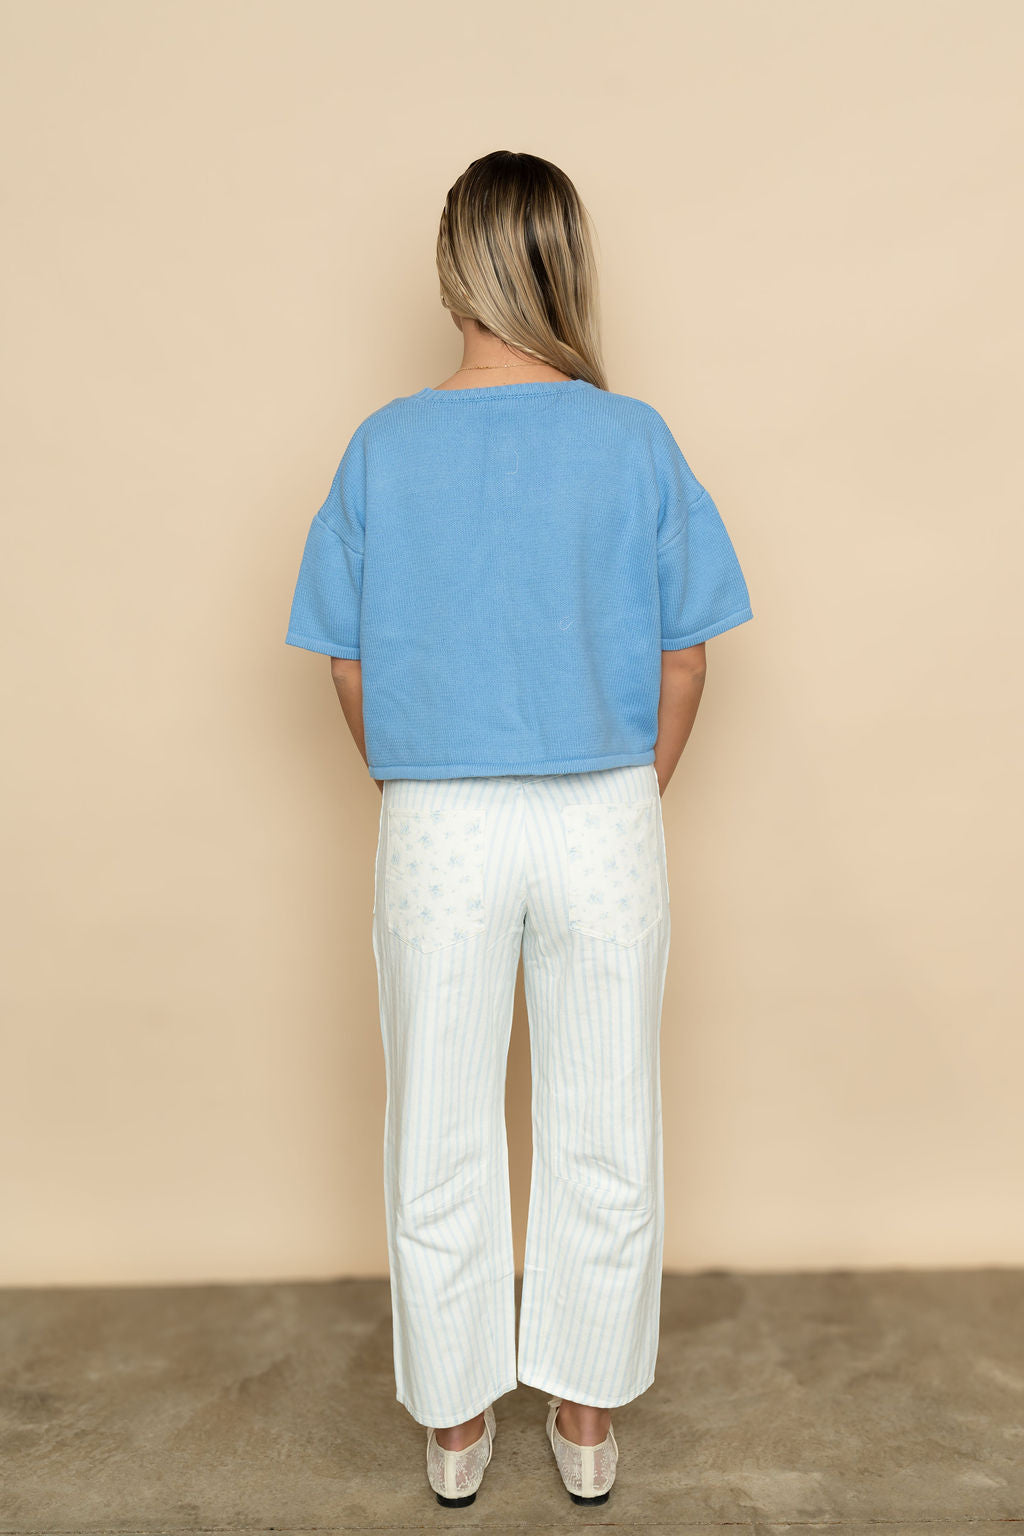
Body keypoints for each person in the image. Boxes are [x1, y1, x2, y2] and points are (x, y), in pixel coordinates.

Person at [285, 150, 753, 1509]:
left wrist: (414, 776)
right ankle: (588, 1421)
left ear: (452, 271)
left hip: (436, 815)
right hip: (604, 807)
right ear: (565, 262)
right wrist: (634, 788)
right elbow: (688, 657)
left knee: (436, 1116)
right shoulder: (634, 438)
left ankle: (452, 1429)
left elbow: (344, 658)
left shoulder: (383, 445)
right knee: (606, 1114)